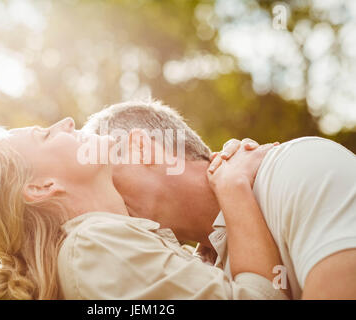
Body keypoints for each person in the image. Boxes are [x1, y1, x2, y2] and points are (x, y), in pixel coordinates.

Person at [0, 117, 287, 300]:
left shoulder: (100, 248)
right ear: (42, 187)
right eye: (46, 135)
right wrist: (233, 188)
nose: (68, 122)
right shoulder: (95, 246)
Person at [83, 99, 356, 299]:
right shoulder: (200, 279)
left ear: (141, 149)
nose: (100, 201)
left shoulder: (300, 169)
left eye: (102, 174)